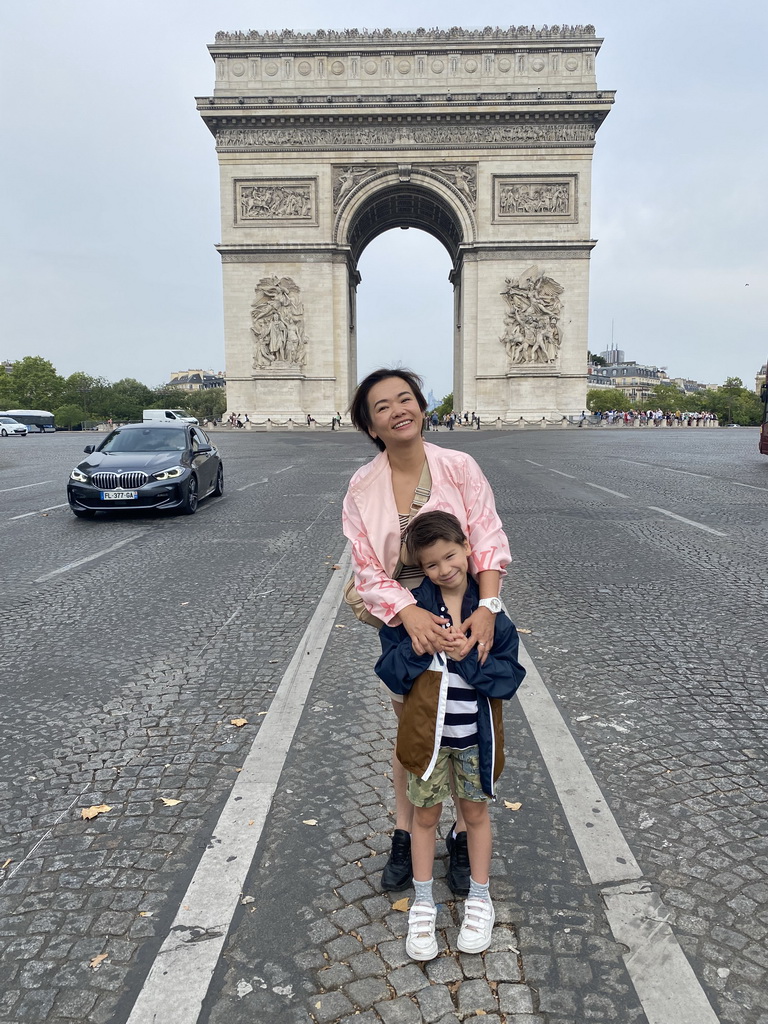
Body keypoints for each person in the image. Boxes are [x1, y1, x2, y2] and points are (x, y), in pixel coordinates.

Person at [342, 368, 511, 896]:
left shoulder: (460, 466)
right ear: (371, 426)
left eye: (405, 398)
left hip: (467, 610)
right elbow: (367, 567)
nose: (398, 410)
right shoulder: (361, 486)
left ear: (421, 405)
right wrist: (408, 613)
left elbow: (486, 536)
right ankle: (403, 830)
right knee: (415, 730)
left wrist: (488, 606)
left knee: (470, 721)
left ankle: (463, 835)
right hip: (402, 621)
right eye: (383, 406)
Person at [375, 511, 525, 960]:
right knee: (423, 818)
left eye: (451, 555)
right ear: (421, 567)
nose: (445, 569)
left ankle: (480, 897)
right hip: (428, 743)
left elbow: (510, 679)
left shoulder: (491, 613)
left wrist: (468, 660)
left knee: (475, 817)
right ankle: (423, 902)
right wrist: (417, 650)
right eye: (433, 564)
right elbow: (390, 672)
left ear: (467, 548)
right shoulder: (411, 612)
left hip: (475, 740)